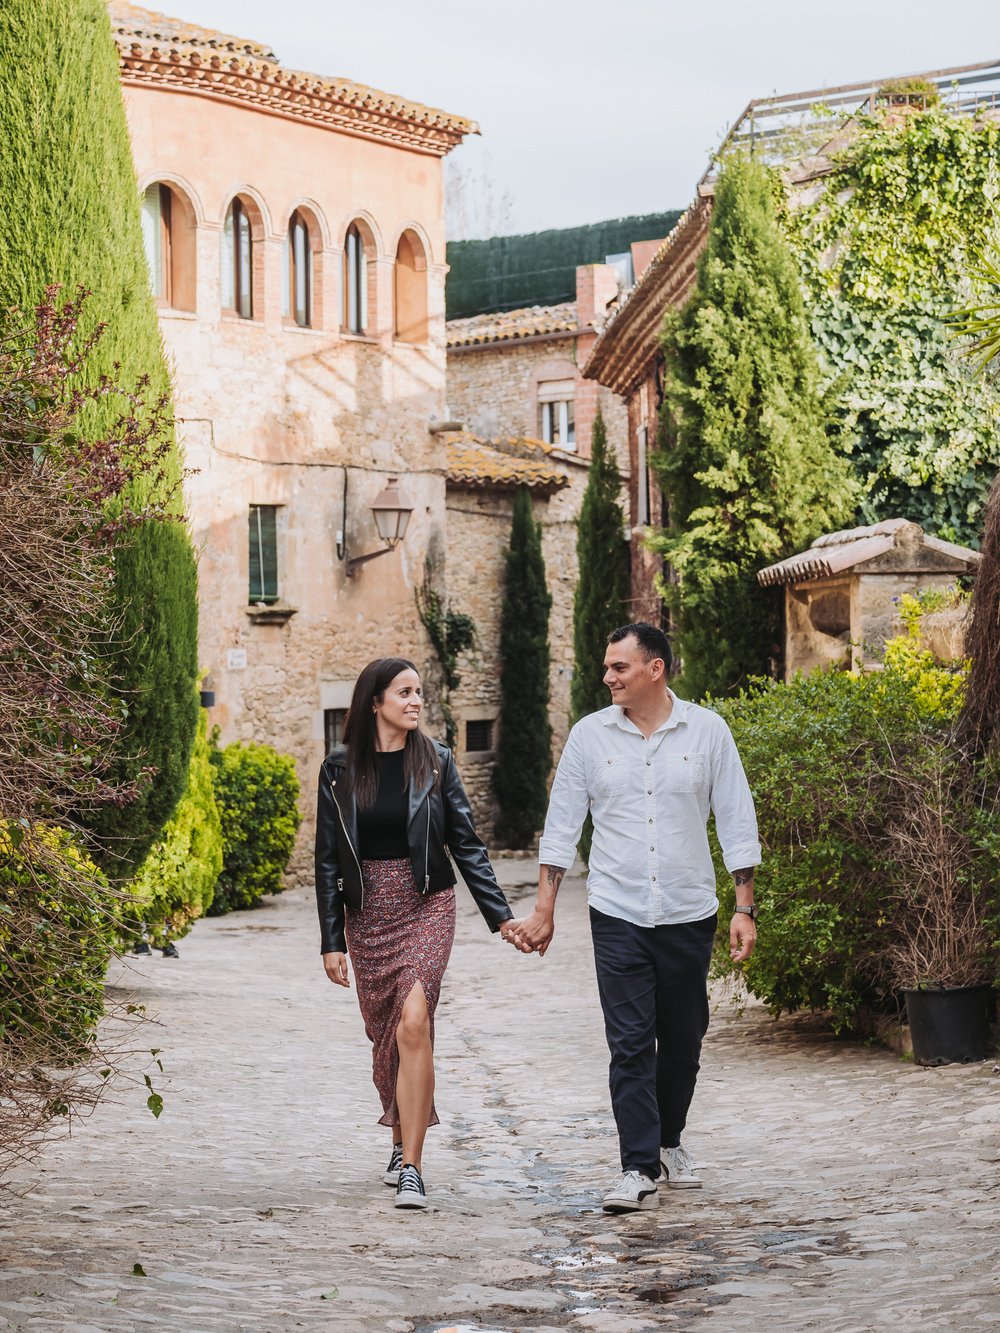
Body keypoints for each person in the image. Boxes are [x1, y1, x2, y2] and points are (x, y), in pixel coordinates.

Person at [510, 623, 760, 1214]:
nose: (608, 677)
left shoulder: (708, 732)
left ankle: (669, 1139)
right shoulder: (589, 737)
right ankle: (637, 1166)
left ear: (656, 669)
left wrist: (743, 906)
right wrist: (545, 908)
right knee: (628, 1044)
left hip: (687, 912)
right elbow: (563, 822)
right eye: (607, 667)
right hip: (617, 911)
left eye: (619, 667)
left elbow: (735, 817)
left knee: (682, 1041)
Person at [315, 657, 520, 1209]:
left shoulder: (436, 762)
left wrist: (500, 916)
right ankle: (400, 1133)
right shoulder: (337, 770)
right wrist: (331, 939)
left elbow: (466, 843)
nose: (415, 701)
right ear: (374, 701)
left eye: (419, 693)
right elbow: (328, 859)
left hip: (428, 901)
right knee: (387, 1035)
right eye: (403, 692)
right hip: (368, 913)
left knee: (413, 1022)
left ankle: (413, 1167)